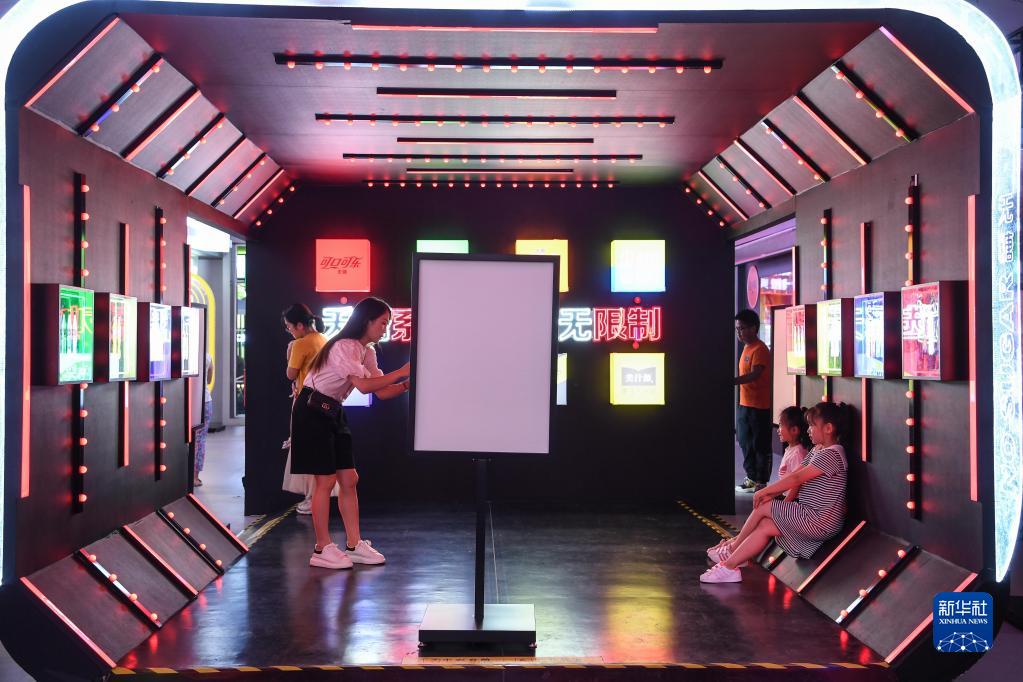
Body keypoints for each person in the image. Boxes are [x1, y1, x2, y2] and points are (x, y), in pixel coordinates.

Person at [290, 297, 411, 570]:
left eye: (387, 324)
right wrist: (402, 372)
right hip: (312, 409)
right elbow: (365, 386)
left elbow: (381, 391)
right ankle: (322, 548)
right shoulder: (344, 346)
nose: (385, 329)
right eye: (382, 323)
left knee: (349, 478)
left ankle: (354, 545)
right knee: (325, 480)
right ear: (366, 321)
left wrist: (407, 383)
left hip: (333, 410)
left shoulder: (367, 352)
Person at [701, 402, 850, 583]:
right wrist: (772, 493)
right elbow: (795, 475)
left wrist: (765, 492)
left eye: (812, 426)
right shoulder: (818, 450)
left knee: (764, 506)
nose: (808, 430)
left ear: (828, 428)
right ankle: (732, 563)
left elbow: (796, 478)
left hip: (818, 520)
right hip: (811, 516)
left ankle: (732, 551)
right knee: (766, 525)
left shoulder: (832, 454)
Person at [281, 304, 331, 514]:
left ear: (300, 325)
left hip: (306, 402)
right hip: (323, 402)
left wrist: (290, 350)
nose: (289, 331)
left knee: (308, 454)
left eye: (289, 326)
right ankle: (316, 497)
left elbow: (290, 374)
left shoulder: (301, 344)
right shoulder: (323, 339)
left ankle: (312, 499)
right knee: (319, 453)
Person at [734, 309, 772, 493]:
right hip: (744, 404)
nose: (739, 332)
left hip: (759, 406)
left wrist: (732, 381)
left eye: (742, 328)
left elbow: (755, 374)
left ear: (754, 328)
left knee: (759, 445)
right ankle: (751, 478)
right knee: (744, 442)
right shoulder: (746, 348)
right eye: (737, 329)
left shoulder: (760, 349)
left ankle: (761, 482)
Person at [194, 352, 213, 487]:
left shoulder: (188, 353)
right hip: (206, 401)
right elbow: (209, 379)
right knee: (200, 440)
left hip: (191, 400)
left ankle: (185, 475)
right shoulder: (207, 356)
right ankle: (195, 476)